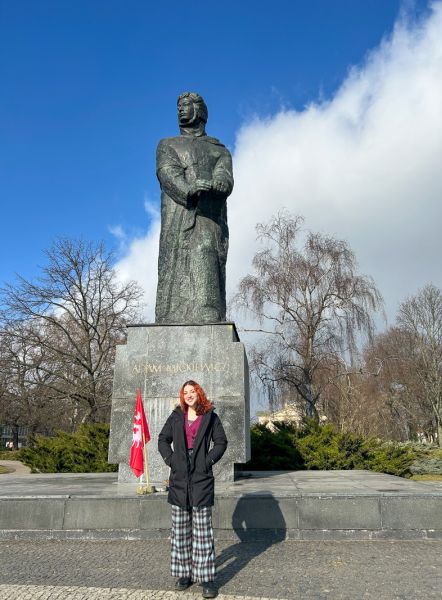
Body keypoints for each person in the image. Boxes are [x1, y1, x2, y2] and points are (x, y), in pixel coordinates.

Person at [155, 92, 234, 324]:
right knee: (174, 261)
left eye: (185, 105)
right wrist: (189, 188)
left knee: (206, 254)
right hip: (178, 216)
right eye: (178, 106)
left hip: (208, 216)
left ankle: (208, 311)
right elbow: (167, 174)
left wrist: (219, 184)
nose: (180, 109)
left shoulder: (218, 149)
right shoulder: (167, 145)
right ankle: (169, 316)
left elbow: (225, 175)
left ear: (199, 110)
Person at [158, 380, 228, 598]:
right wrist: (171, 460)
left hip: (201, 476)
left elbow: (221, 442)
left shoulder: (210, 416)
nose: (189, 395)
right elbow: (162, 439)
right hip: (179, 477)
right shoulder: (176, 415)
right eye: (185, 392)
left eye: (192, 391)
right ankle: (184, 574)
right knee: (180, 531)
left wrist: (207, 461)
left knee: (202, 533)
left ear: (199, 393)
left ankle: (206, 579)